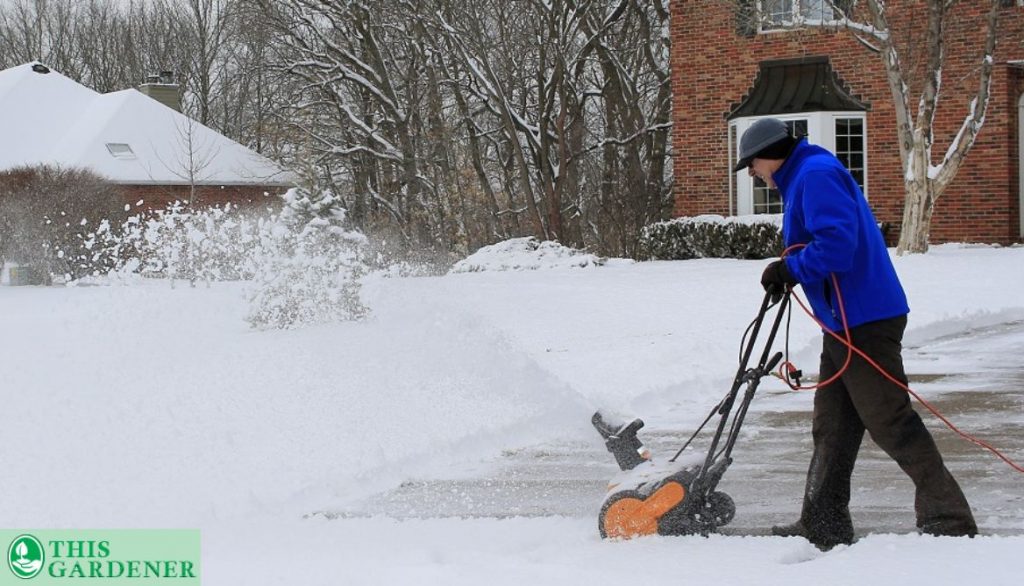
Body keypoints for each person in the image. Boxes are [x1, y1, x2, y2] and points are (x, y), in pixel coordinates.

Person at [734, 117, 977, 550]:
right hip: (843, 323)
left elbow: (837, 248)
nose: (752, 174)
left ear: (767, 155)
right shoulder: (805, 176)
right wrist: (793, 269)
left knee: (890, 420)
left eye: (751, 165)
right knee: (833, 425)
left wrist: (792, 268)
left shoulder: (815, 176)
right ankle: (823, 522)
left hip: (865, 320)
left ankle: (950, 518)